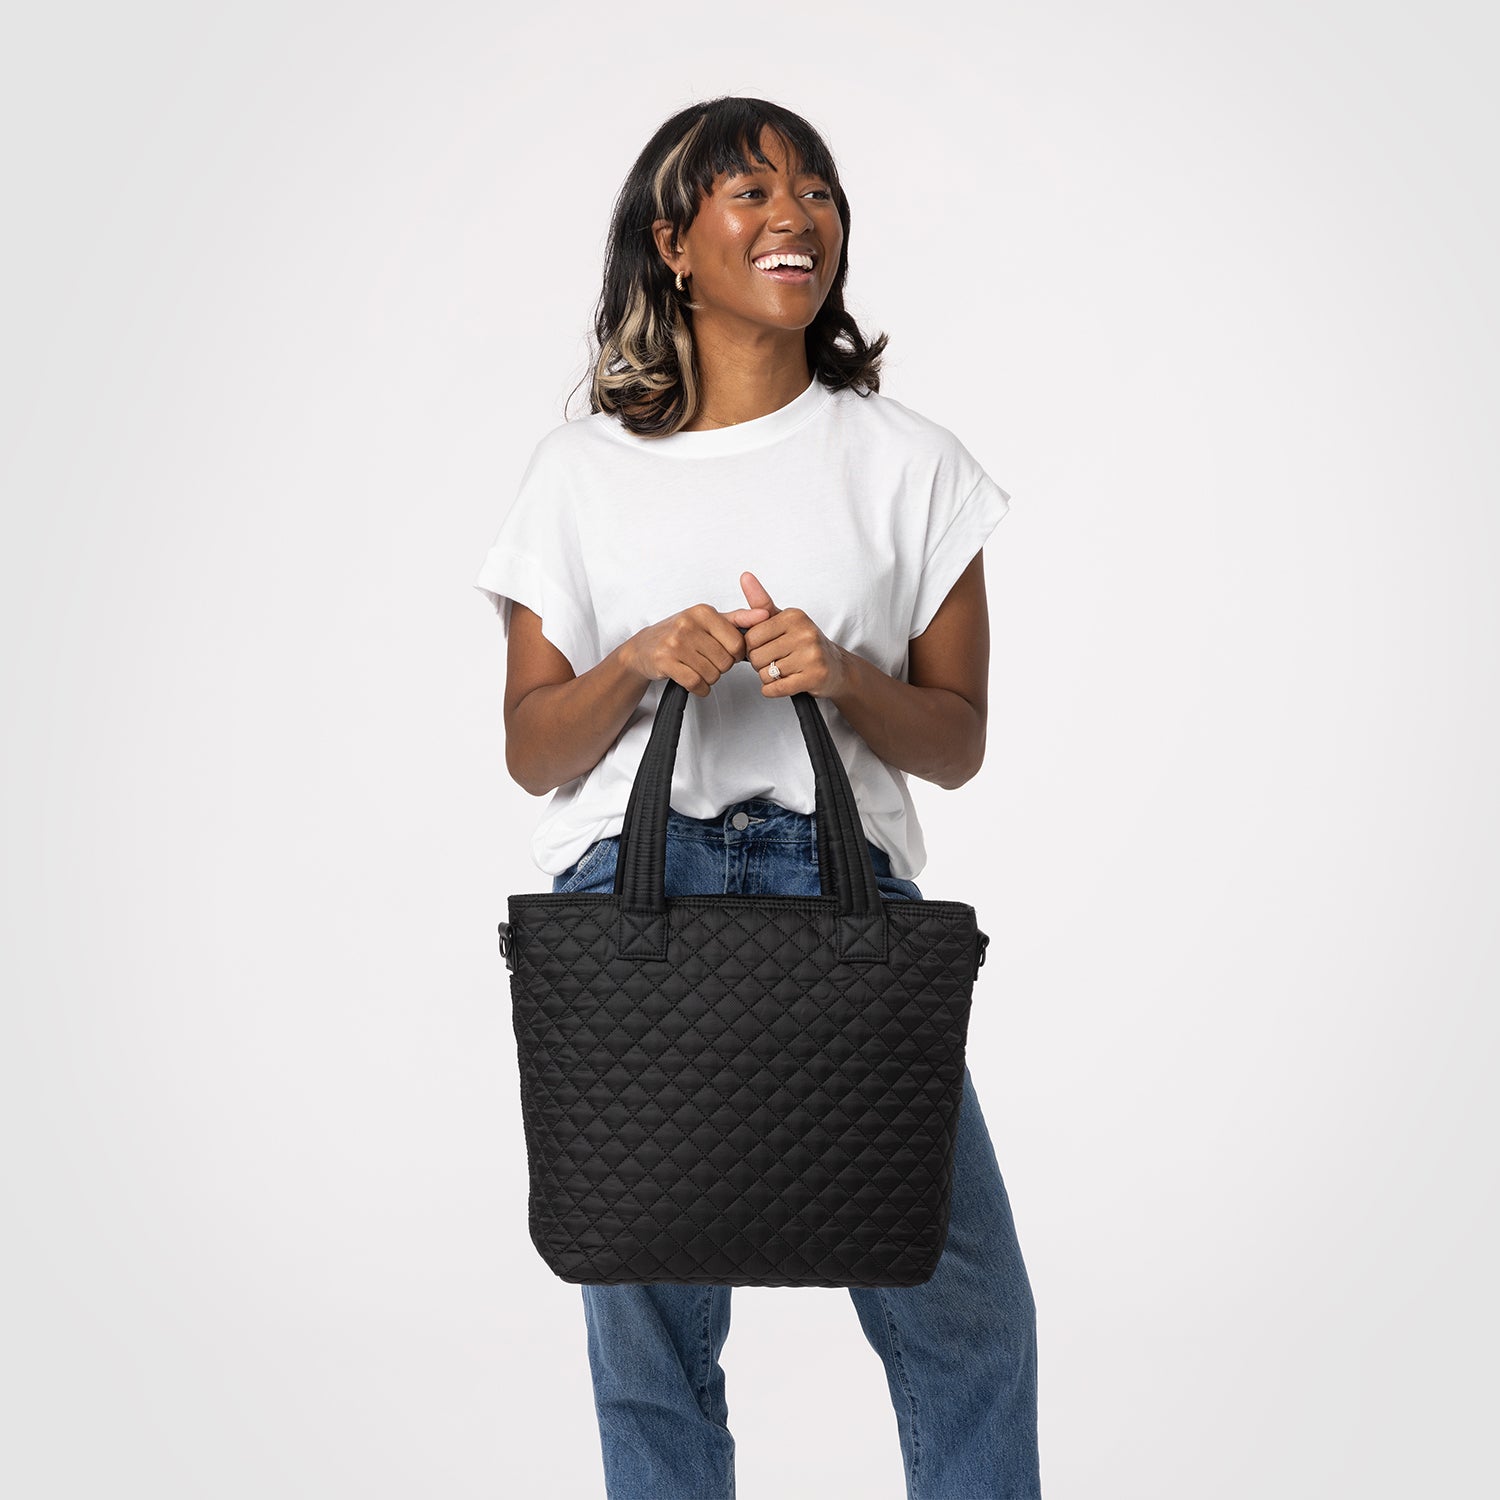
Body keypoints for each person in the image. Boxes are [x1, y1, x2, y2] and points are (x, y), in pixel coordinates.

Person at [474, 95, 1041, 1500]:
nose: (795, 215)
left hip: (845, 912)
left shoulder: (911, 465)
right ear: (672, 242)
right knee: (651, 1340)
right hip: (633, 905)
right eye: (749, 192)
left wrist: (847, 678)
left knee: (967, 1318)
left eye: (818, 190)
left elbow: (957, 741)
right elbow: (536, 749)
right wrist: (632, 665)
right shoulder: (579, 476)